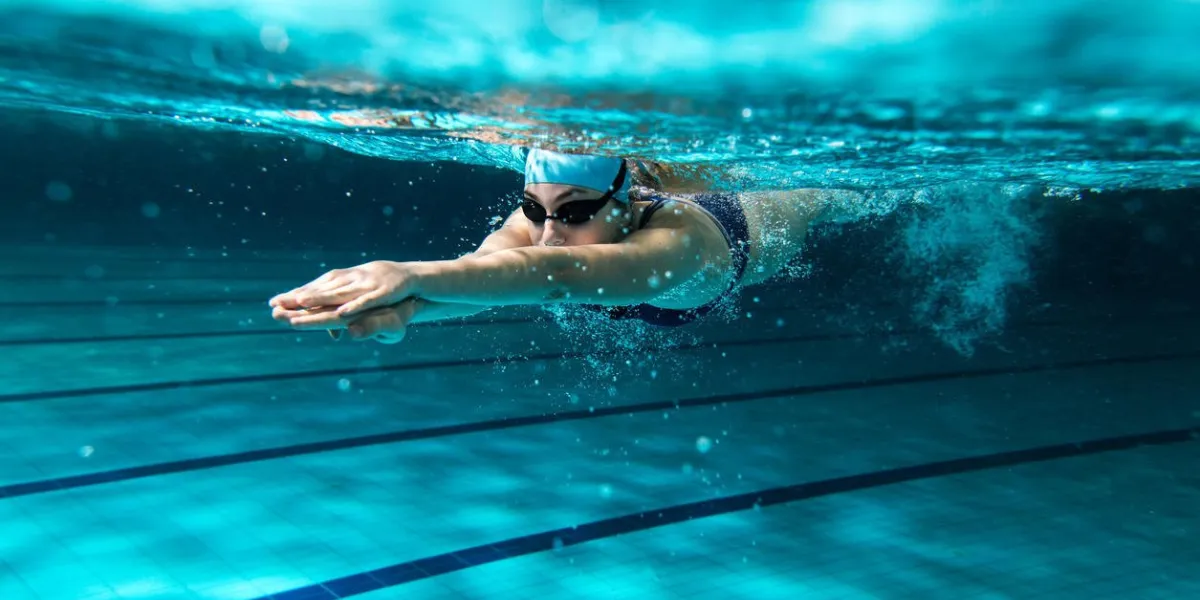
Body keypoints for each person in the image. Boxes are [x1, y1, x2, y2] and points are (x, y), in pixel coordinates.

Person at [269, 147, 828, 344]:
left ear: (625, 206)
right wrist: (406, 313)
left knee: (833, 197)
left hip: (766, 215)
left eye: (576, 212)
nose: (549, 233)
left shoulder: (679, 244)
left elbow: (556, 276)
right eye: (535, 210)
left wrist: (407, 274)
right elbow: (486, 275)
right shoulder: (541, 225)